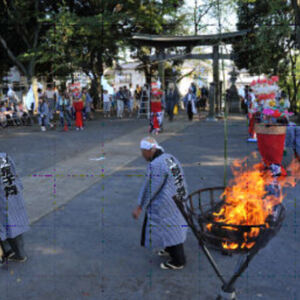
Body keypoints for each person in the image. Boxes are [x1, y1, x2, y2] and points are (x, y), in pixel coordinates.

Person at [132, 137, 188, 270]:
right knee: (171, 228)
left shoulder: (156, 164)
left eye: (142, 151)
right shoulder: (169, 157)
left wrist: (140, 206)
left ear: (150, 150)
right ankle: (169, 249)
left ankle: (179, 261)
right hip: (178, 197)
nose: (142, 155)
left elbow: (150, 188)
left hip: (168, 202)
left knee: (171, 228)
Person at [0, 153, 30, 263]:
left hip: (3, 198)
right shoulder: (4, 157)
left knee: (6, 224)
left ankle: (10, 253)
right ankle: (17, 253)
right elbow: (15, 175)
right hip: (12, 194)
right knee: (14, 222)